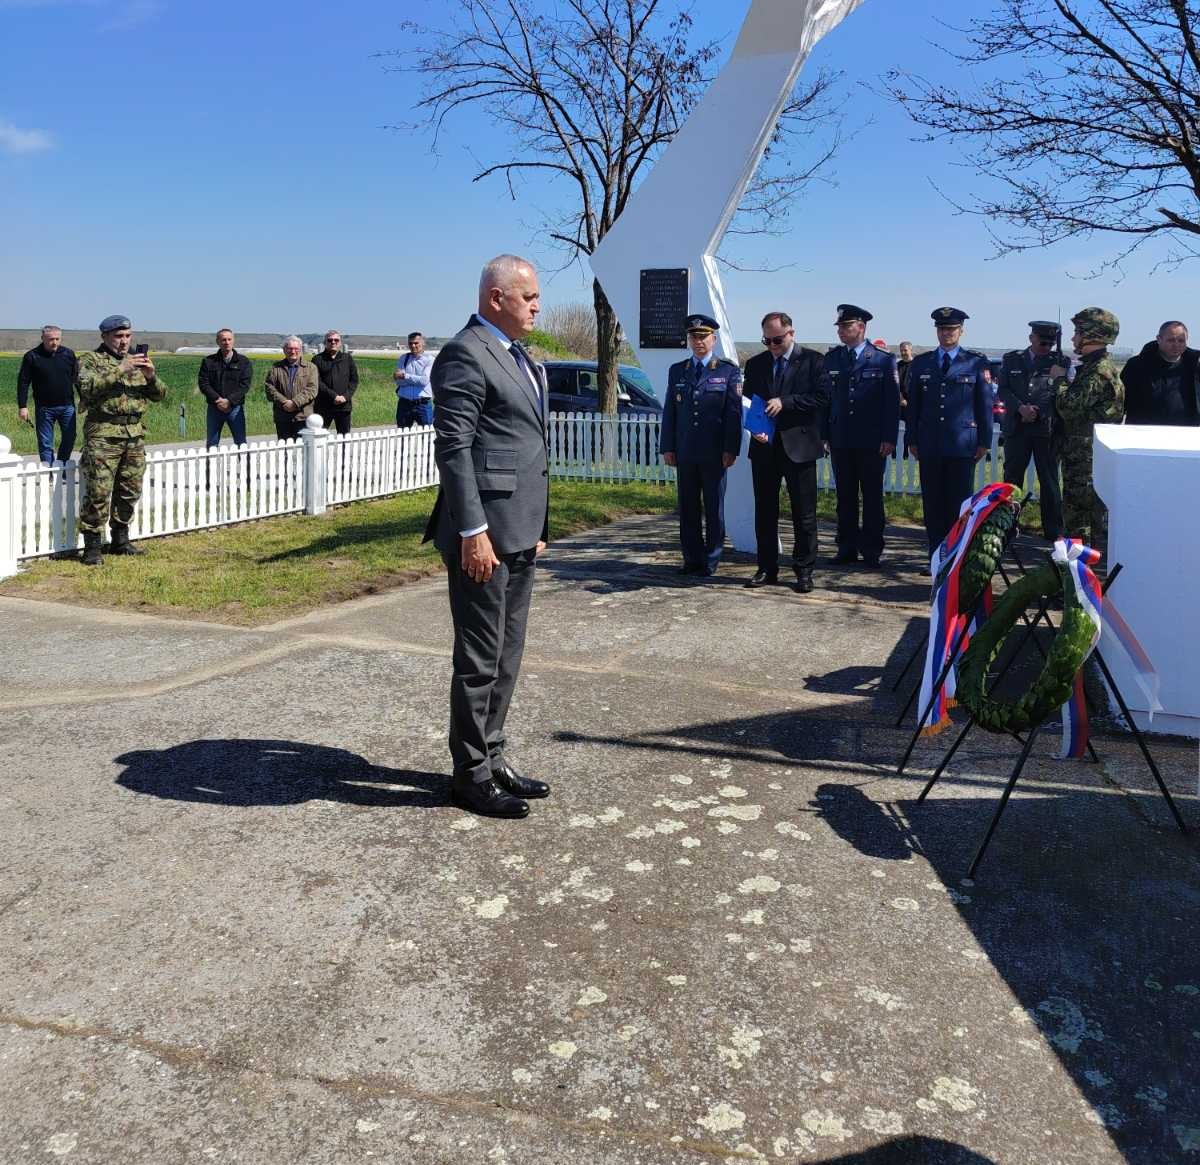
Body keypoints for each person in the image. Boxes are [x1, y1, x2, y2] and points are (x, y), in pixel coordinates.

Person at [423, 254, 550, 820]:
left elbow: (525, 449)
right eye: (529, 298)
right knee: (479, 658)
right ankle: (470, 776)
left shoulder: (521, 357)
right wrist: (473, 531)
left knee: (508, 653)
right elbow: (454, 450)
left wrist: (538, 527)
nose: (537, 307)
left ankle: (493, 755)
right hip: (484, 537)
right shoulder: (464, 354)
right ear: (496, 298)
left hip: (519, 532)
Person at [743, 310, 826, 591]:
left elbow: (822, 397)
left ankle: (804, 570)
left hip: (799, 446)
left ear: (791, 333)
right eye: (766, 340)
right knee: (765, 511)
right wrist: (754, 427)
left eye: (777, 340)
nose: (772, 346)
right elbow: (751, 403)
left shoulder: (813, 361)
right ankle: (767, 568)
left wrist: (786, 402)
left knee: (803, 512)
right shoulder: (756, 364)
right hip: (765, 447)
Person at [74, 315, 167, 566]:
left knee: (129, 491)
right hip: (103, 435)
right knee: (98, 491)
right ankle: (92, 546)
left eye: (127, 336)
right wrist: (121, 369)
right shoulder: (91, 360)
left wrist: (150, 376)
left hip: (134, 435)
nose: (124, 341)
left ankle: (120, 540)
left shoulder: (139, 360)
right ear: (104, 337)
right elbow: (87, 388)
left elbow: (160, 395)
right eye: (118, 336)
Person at [660, 313, 743, 577]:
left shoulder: (727, 371)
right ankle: (691, 558)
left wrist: (732, 448)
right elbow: (670, 412)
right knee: (688, 508)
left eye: (704, 337)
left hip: (715, 453)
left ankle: (711, 559)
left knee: (713, 507)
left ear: (713, 339)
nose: (698, 342)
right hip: (685, 451)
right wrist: (668, 447)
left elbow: (733, 414)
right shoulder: (678, 370)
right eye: (694, 337)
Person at [905, 307, 993, 555]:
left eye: (952, 329)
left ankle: (956, 556)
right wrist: (912, 438)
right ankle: (936, 554)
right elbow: (914, 407)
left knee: (959, 504)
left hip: (962, 444)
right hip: (930, 444)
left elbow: (983, 405)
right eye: (942, 329)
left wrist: (984, 440)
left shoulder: (976, 363)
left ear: (961, 331)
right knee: (933, 503)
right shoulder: (922, 363)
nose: (946, 334)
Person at [821, 304, 899, 569]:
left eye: (847, 326)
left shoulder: (882, 359)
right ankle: (846, 546)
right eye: (840, 327)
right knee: (845, 496)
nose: (842, 331)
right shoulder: (832, 359)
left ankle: (872, 549)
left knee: (872, 496)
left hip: (872, 440)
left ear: (862, 327)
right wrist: (824, 434)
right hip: (841, 438)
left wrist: (889, 437)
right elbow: (826, 401)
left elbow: (891, 403)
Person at [1054, 307, 1125, 548]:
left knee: (1080, 520)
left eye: (1077, 332)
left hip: (1085, 459)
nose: (1074, 338)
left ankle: (1080, 577)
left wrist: (1060, 380)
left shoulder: (1098, 372)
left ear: (1092, 335)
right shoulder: (1096, 368)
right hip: (1084, 456)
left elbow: (1068, 406)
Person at [996, 321, 1064, 540]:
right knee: (1012, 479)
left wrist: (1038, 411)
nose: (1046, 347)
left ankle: (1053, 531)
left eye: (1050, 343)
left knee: (1050, 481)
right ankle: (1006, 526)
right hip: (1017, 428)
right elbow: (1003, 390)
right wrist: (1020, 408)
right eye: (1042, 342)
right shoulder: (1012, 359)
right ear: (1031, 338)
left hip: (1046, 429)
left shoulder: (1059, 362)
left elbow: (1060, 394)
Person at [17, 325, 78, 467]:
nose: (55, 342)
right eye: (51, 339)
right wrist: (22, 406)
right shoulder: (32, 356)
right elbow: (23, 383)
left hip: (67, 406)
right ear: (42, 338)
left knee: (69, 438)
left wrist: (85, 400)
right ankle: (49, 473)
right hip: (44, 408)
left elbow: (77, 379)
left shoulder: (69, 354)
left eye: (57, 339)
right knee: (45, 443)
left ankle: (61, 467)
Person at [1120, 320, 1200, 426]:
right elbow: (1121, 402)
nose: (1176, 345)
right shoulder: (1137, 366)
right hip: (1144, 433)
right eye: (1171, 340)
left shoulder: (1195, 366)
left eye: (1181, 341)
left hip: (1185, 434)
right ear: (1159, 339)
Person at [197, 328, 252, 448]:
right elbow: (203, 384)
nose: (226, 342)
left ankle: (246, 467)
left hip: (235, 408)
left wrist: (229, 401)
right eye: (223, 340)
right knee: (212, 443)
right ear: (218, 342)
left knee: (241, 443)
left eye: (229, 339)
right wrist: (218, 400)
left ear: (233, 341)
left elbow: (245, 385)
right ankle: (210, 467)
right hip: (214, 408)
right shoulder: (208, 361)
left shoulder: (243, 362)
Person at [264, 336, 319, 440]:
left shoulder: (311, 368)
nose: (293, 351)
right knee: (285, 450)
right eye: (290, 348)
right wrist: (284, 402)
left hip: (303, 417)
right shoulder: (276, 368)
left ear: (301, 350)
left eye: (296, 349)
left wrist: (294, 403)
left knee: (303, 450)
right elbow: (269, 388)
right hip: (282, 417)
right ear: (284, 350)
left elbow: (312, 389)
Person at [312, 330, 358, 435]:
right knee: (319, 436)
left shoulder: (347, 359)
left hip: (343, 406)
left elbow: (354, 380)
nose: (333, 342)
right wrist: (334, 396)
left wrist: (345, 397)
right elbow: (317, 381)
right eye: (330, 340)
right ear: (325, 343)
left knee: (344, 437)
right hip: (323, 405)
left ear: (340, 343)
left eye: (336, 340)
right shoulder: (317, 360)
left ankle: (343, 452)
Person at [395, 332, 435, 428]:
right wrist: (411, 379)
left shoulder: (429, 360)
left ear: (423, 343)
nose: (413, 346)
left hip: (422, 404)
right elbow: (399, 381)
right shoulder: (403, 358)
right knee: (403, 436)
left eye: (416, 343)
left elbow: (424, 381)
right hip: (405, 403)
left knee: (426, 436)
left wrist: (405, 376)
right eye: (410, 343)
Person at [896, 341, 914, 411]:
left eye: (905, 350)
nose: (903, 353)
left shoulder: (917, 365)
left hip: (914, 404)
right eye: (901, 351)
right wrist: (901, 398)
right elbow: (894, 383)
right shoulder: (897, 366)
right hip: (900, 404)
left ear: (911, 350)